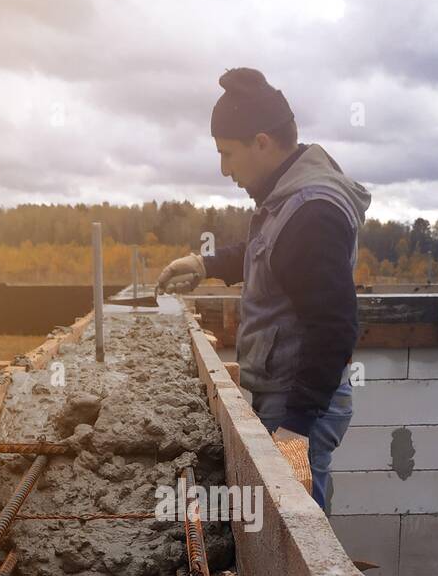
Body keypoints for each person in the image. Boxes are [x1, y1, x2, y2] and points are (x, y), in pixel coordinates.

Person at [156, 67, 370, 510]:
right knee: (295, 511)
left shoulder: (312, 212)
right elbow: (266, 251)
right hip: (290, 398)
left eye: (228, 153)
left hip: (300, 407)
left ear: (262, 142)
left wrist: (295, 426)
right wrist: (204, 263)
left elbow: (335, 328)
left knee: (296, 522)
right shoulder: (287, 198)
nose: (224, 169)